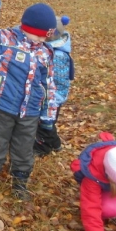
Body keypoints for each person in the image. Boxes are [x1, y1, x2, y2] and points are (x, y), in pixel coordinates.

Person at [0, 0, 57, 200]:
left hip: (30, 110)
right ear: (26, 27)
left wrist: (48, 115)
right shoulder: (6, 40)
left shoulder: (45, 52)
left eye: (45, 37)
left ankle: (20, 180)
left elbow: (48, 84)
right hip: (4, 104)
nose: (41, 40)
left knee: (24, 146)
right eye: (38, 35)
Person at [34, 16, 74, 156]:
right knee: (44, 123)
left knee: (45, 125)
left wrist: (53, 100)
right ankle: (56, 144)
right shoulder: (49, 49)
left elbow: (60, 81)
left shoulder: (58, 56)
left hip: (52, 98)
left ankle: (42, 149)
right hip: (44, 94)